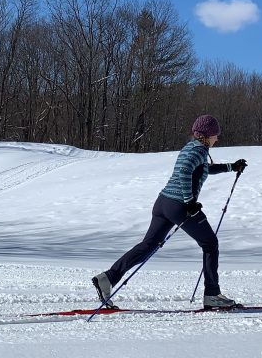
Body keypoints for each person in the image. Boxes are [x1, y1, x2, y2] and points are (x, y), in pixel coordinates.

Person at [92, 114, 247, 310]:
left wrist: (231, 167)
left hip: (163, 203)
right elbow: (184, 172)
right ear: (207, 135)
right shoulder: (199, 150)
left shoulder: (192, 148)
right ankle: (212, 295)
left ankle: (108, 278)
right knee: (210, 243)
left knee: (148, 245)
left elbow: (203, 169)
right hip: (179, 205)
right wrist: (189, 202)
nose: (218, 138)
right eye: (216, 134)